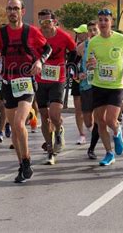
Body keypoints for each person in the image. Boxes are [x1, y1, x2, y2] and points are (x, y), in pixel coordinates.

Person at [0, 0, 51, 183]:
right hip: (8, 82)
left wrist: (40, 61)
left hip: (26, 82)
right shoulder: (0, 34)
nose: (12, 12)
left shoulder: (31, 31)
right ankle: (23, 165)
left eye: (16, 8)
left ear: (22, 11)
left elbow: (47, 48)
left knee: (18, 123)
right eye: (9, 8)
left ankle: (26, 161)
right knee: (14, 130)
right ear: (6, 12)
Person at [86, 9, 123, 166]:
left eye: (105, 20)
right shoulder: (93, 42)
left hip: (116, 85)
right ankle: (109, 153)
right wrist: (90, 65)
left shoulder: (121, 39)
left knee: (110, 119)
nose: (102, 23)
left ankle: (117, 131)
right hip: (98, 85)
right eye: (100, 20)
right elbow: (89, 63)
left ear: (111, 22)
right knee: (100, 121)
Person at [35, 9, 76, 165]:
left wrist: (69, 66)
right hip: (40, 80)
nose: (44, 25)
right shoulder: (36, 36)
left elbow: (73, 52)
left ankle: (59, 130)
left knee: (54, 115)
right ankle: (50, 151)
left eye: (47, 21)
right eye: (41, 22)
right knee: (44, 117)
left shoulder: (64, 36)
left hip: (58, 79)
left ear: (54, 22)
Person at [76, 21, 100, 159]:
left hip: (100, 85)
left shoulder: (105, 44)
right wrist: (79, 74)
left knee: (99, 117)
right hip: (86, 84)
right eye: (90, 30)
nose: (93, 32)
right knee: (88, 121)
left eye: (94, 29)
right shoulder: (81, 47)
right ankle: (95, 131)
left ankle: (92, 147)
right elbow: (73, 64)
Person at [71, 24, 90, 144]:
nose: (78, 35)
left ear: (86, 34)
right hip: (77, 82)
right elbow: (70, 65)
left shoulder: (93, 47)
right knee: (78, 109)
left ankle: (90, 127)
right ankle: (81, 134)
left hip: (90, 83)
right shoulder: (75, 48)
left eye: (80, 32)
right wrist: (77, 75)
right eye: (77, 33)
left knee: (89, 110)